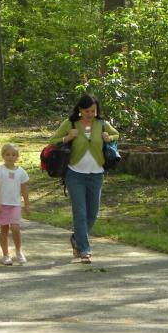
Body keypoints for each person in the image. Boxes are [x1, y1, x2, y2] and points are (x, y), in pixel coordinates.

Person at [49, 94, 118, 263]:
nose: (90, 114)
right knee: (80, 213)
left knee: (92, 214)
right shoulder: (70, 123)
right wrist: (68, 137)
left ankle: (76, 238)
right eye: (87, 111)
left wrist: (109, 138)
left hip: (96, 175)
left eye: (93, 111)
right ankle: (84, 250)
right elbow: (53, 141)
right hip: (75, 174)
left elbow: (116, 134)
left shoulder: (102, 124)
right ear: (80, 110)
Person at [0, 143, 30, 265]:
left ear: (17, 157)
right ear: (3, 156)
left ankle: (19, 251)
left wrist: (27, 204)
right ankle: (6, 255)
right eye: (7, 154)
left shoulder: (21, 172)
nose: (10, 157)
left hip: (15, 205)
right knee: (4, 229)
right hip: (2, 205)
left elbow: (24, 189)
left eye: (13, 155)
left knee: (15, 228)